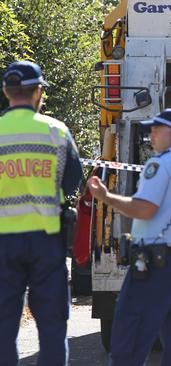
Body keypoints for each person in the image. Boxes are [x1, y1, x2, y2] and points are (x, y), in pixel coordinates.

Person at [87, 108, 171, 366]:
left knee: (131, 330)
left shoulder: (160, 164)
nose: (151, 136)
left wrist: (106, 197)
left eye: (156, 130)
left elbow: (145, 208)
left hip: (155, 262)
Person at [0, 61, 83, 366]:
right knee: (52, 326)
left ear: (7, 92)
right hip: (47, 240)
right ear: (37, 92)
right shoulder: (55, 132)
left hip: (3, 242)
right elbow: (73, 178)